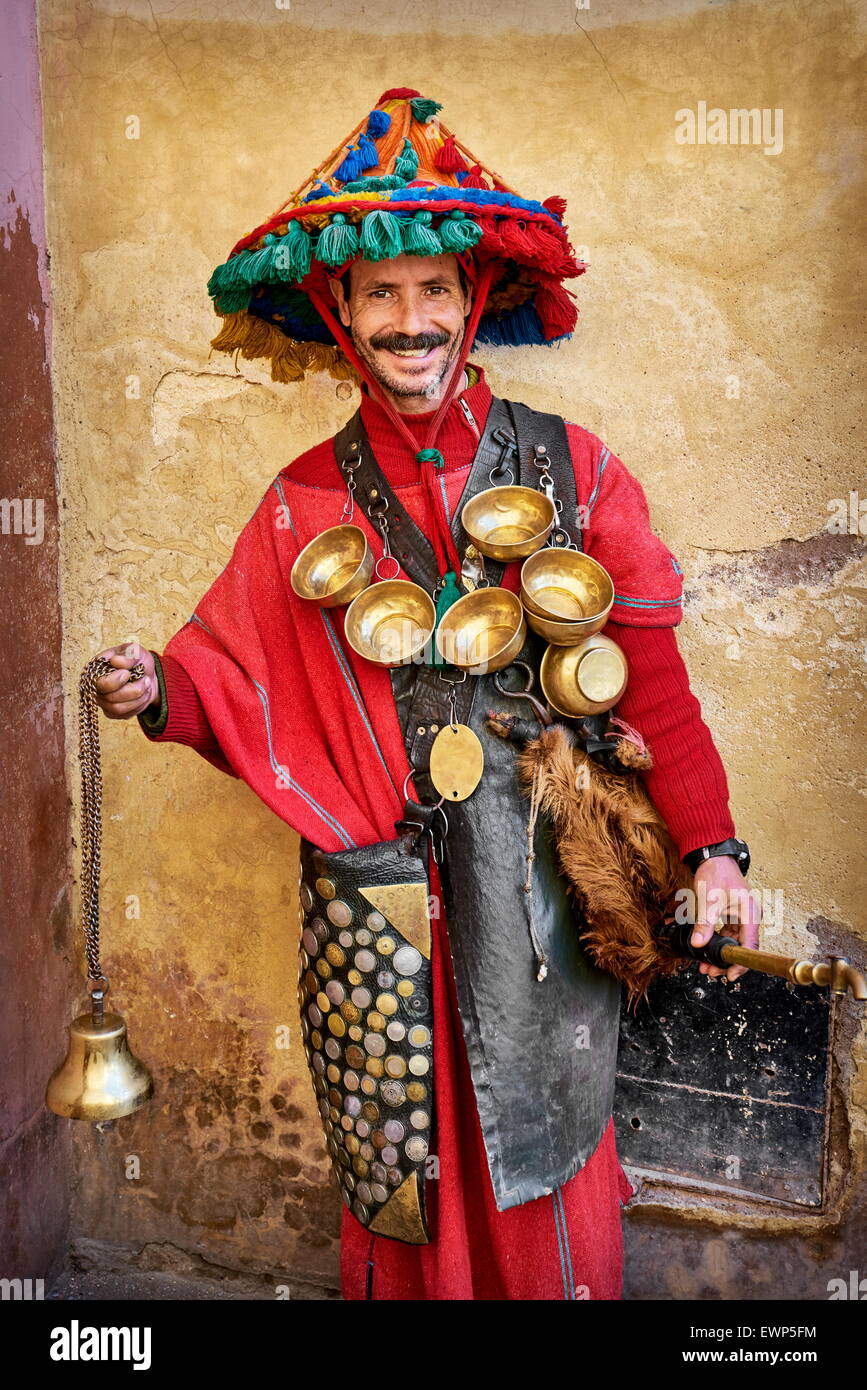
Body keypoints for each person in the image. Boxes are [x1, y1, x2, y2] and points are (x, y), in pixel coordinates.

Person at [94, 88, 760, 1300]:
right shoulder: (300, 503)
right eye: (382, 294)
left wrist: (717, 850)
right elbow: (223, 676)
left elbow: (652, 683)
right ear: (343, 316)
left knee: (549, 1168)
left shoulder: (574, 469)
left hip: (542, 902)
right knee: (401, 1182)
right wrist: (155, 689)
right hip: (380, 910)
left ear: (474, 303)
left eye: (434, 289)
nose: (412, 320)